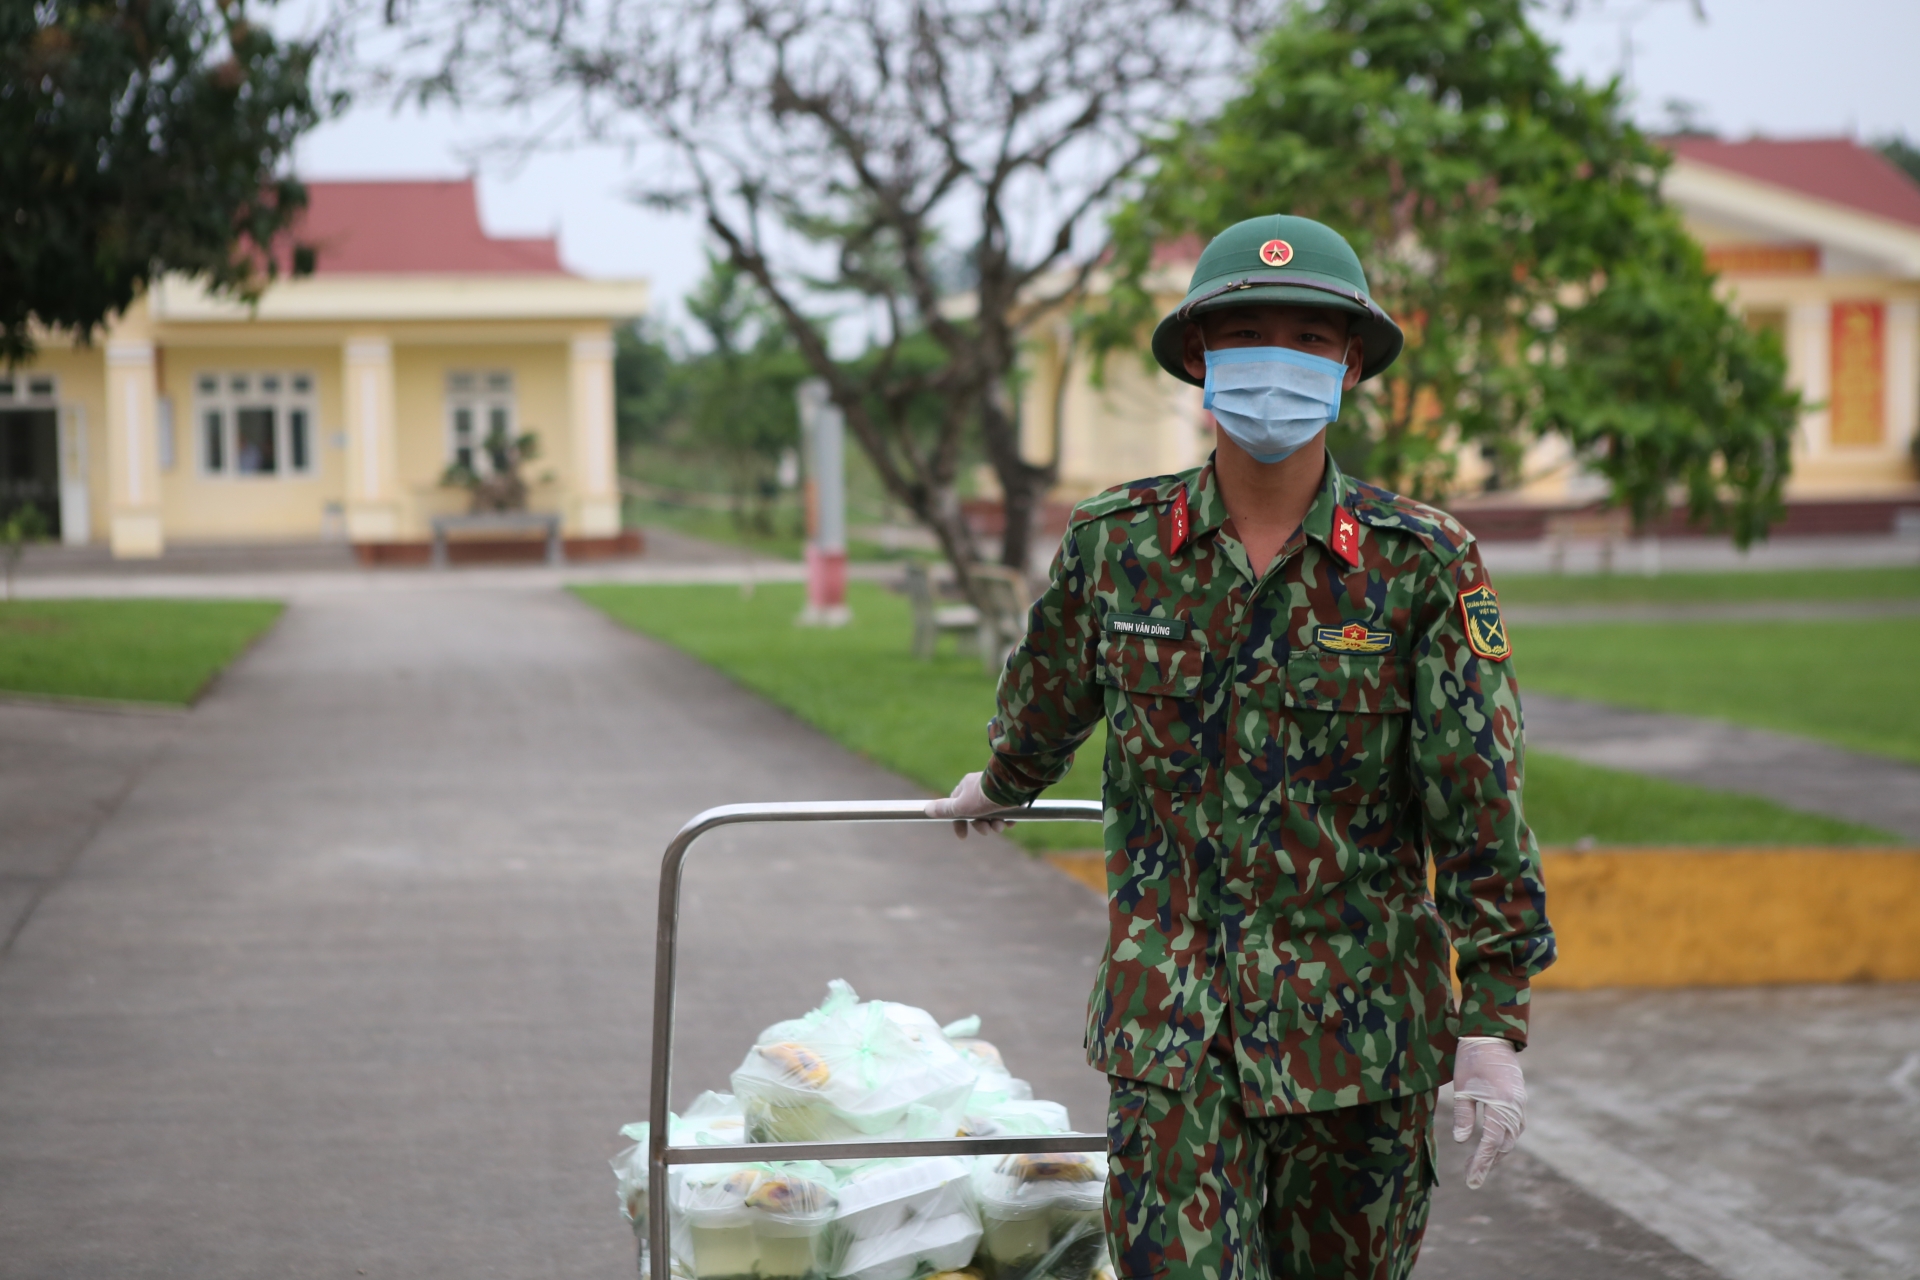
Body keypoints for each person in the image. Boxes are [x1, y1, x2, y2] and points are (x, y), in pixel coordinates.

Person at [928, 214, 1555, 1280]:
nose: (1278, 359)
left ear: (1349, 364)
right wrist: (1000, 782)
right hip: (1172, 1028)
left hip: (1362, 1036)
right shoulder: (1117, 543)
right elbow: (1048, 697)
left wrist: (1492, 1018)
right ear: (1200, 357)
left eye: (1308, 338)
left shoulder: (1421, 563)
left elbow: (1478, 794)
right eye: (1248, 333)